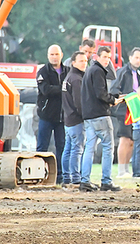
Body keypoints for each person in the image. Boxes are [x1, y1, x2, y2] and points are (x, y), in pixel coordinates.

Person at [80, 46, 123, 192]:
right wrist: (113, 100)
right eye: (104, 57)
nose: (107, 60)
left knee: (89, 148)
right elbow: (101, 94)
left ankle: (84, 181)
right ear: (97, 57)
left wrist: (113, 98)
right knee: (108, 148)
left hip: (88, 115)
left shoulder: (89, 70)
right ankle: (106, 181)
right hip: (100, 115)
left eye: (109, 58)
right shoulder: (98, 71)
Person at [110, 47, 140, 178]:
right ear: (130, 58)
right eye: (136, 57)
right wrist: (126, 98)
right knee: (124, 139)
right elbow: (114, 89)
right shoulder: (123, 72)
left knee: (131, 140)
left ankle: (126, 169)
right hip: (123, 111)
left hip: (135, 110)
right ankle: (121, 170)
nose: (138, 60)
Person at [36, 44, 67, 184]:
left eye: (56, 54)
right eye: (52, 54)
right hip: (46, 116)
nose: (54, 57)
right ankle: (38, 175)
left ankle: (60, 176)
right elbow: (46, 90)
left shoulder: (68, 71)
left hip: (62, 117)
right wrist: (63, 89)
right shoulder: (43, 72)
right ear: (48, 56)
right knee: (42, 147)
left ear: (62, 55)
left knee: (62, 146)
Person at [61, 51, 88, 188]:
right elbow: (79, 102)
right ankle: (75, 177)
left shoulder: (68, 77)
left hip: (68, 119)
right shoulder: (77, 79)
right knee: (77, 149)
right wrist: (85, 116)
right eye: (81, 61)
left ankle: (66, 177)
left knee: (68, 148)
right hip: (76, 119)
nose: (85, 63)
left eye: (85, 60)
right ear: (73, 63)